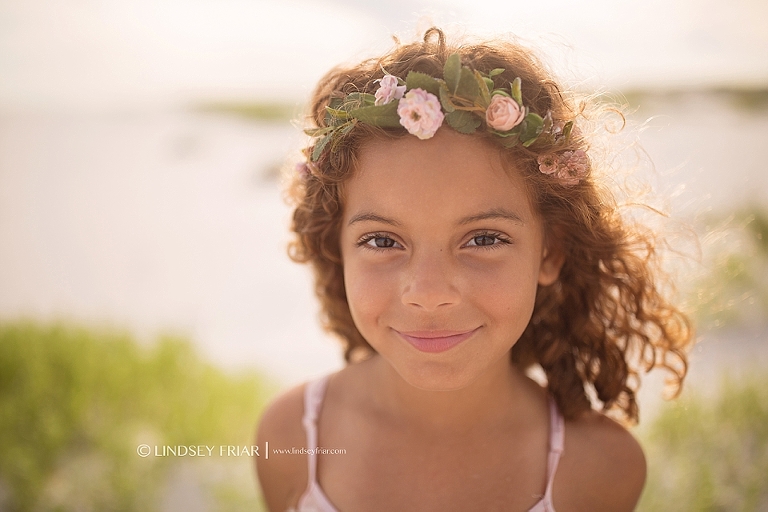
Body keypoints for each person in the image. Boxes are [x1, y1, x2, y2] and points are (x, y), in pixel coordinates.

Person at [254, 27, 692, 511]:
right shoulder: (291, 441)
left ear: (549, 253)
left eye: (483, 239)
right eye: (382, 240)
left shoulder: (599, 470)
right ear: (336, 248)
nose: (429, 292)